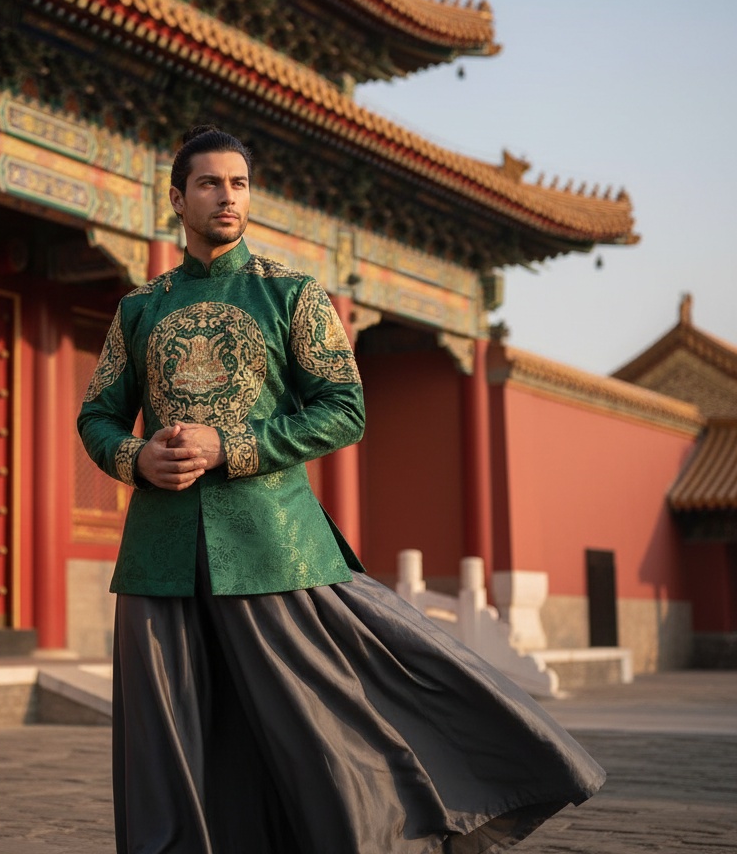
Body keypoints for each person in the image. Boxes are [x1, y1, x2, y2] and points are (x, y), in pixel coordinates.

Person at [77, 125, 605, 854]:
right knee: (165, 747)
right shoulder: (141, 309)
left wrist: (232, 446)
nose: (226, 197)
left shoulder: (291, 295)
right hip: (159, 555)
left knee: (315, 733)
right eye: (209, 183)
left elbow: (345, 409)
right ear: (177, 198)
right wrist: (137, 458)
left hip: (272, 544)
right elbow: (97, 415)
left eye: (238, 183)